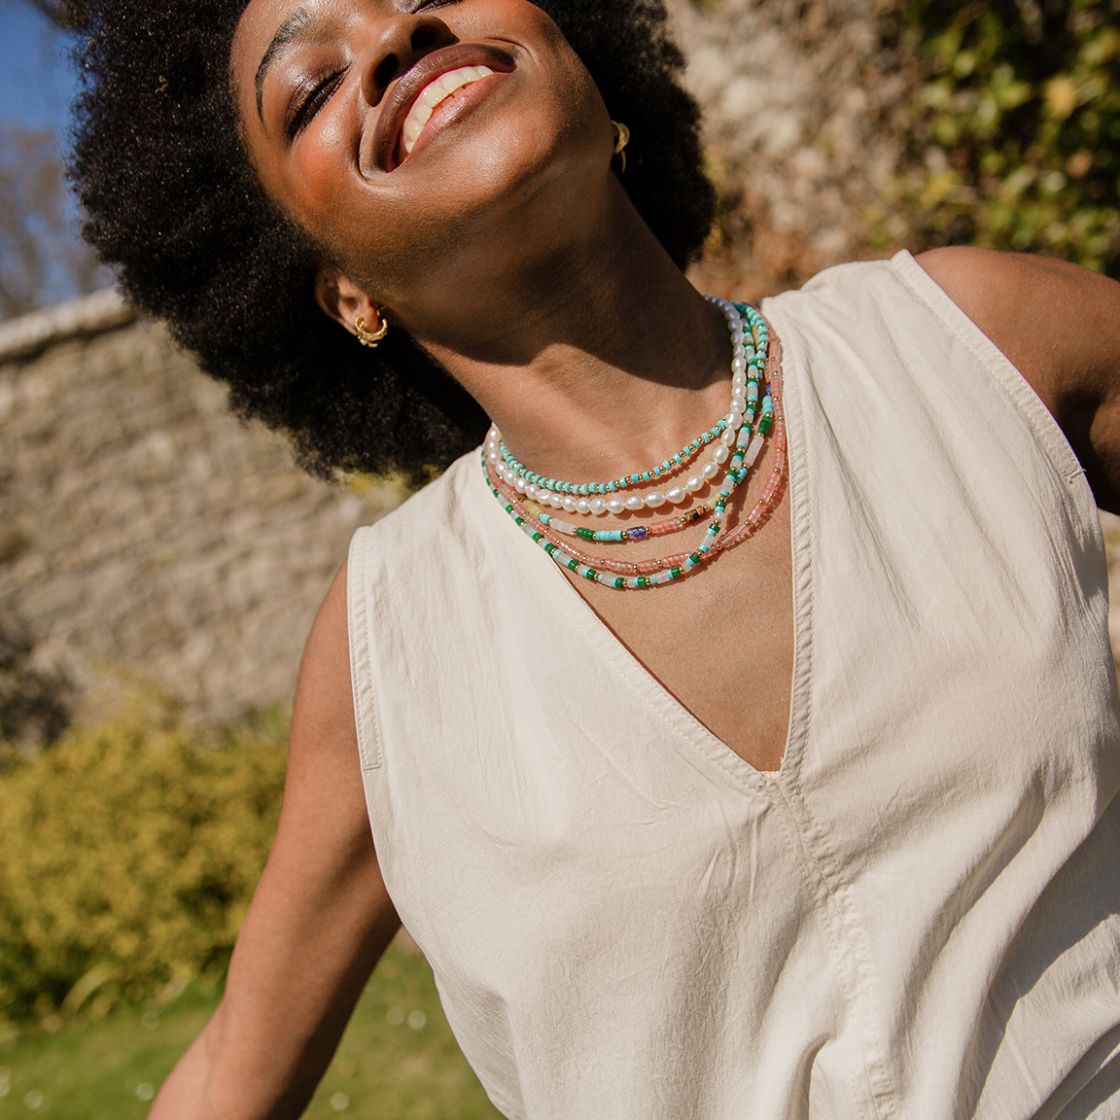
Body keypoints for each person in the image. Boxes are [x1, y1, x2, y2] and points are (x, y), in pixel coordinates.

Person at [71, 0, 1120, 1116]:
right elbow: (237, 1064)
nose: (391, 38)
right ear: (344, 294)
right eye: (312, 89)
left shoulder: (973, 340)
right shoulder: (393, 650)